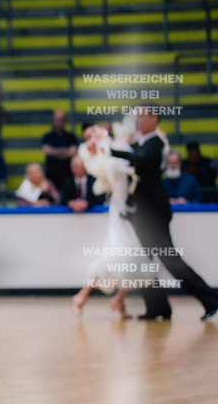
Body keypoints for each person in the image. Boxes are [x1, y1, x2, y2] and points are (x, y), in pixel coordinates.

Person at [108, 105, 218, 320]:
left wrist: (110, 149)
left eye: (141, 116)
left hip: (153, 214)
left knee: (170, 259)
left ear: (153, 118)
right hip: (141, 214)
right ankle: (157, 307)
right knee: (144, 260)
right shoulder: (141, 142)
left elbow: (138, 158)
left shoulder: (157, 143)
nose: (137, 120)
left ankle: (211, 299)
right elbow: (128, 151)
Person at [70, 118, 148, 319]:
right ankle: (82, 296)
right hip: (120, 211)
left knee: (137, 258)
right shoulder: (102, 158)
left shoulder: (117, 146)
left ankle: (118, 300)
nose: (94, 137)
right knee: (116, 255)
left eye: (95, 132)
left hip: (129, 209)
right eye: (90, 136)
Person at [41, 110, 78, 190]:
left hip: (67, 174)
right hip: (51, 174)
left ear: (65, 121)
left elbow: (72, 152)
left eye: (61, 120)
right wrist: (65, 151)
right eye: (57, 120)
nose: (59, 122)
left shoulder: (71, 137)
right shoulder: (47, 137)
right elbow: (46, 151)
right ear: (53, 121)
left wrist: (53, 151)